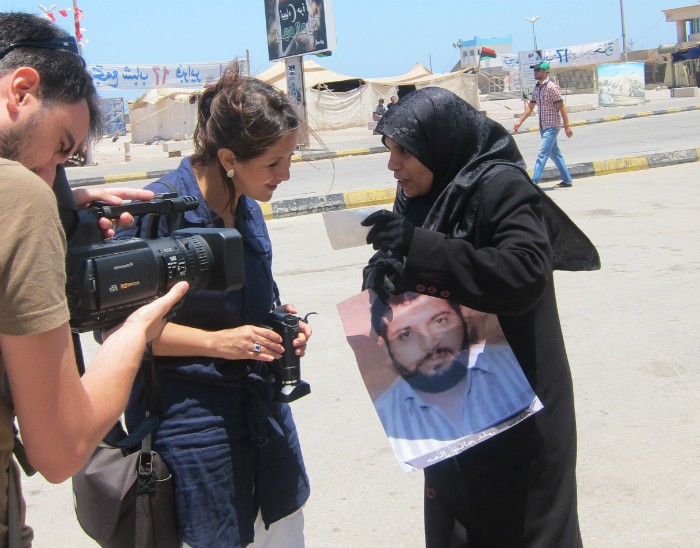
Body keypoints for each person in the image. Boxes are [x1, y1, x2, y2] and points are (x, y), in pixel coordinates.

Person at [361, 86, 600, 547]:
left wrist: (418, 249)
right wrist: (386, 273)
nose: (393, 165)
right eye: (389, 151)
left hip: (518, 411)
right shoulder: (419, 197)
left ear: (438, 144)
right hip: (453, 413)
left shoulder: (501, 187)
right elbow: (424, 273)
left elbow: (525, 273)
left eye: (404, 152)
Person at [0, 11, 188, 545]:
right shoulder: (20, 195)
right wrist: (134, 332)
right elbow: (61, 450)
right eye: (61, 148)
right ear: (21, 90)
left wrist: (62, 207)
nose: (52, 177)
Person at [117, 62, 312, 548]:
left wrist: (280, 326)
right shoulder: (157, 212)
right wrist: (217, 343)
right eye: (274, 163)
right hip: (194, 427)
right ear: (228, 157)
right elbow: (120, 334)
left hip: (262, 411)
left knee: (281, 528)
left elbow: (253, 303)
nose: (285, 175)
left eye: (289, 159)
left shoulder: (247, 208)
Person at [371, 292, 536, 450]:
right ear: (385, 347)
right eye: (406, 334)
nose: (429, 344)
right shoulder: (385, 416)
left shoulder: (518, 367)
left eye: (440, 321)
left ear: (463, 318)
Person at [513, 61, 575, 189]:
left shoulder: (552, 87)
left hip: (552, 126)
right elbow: (530, 107)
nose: (535, 72)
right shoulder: (536, 88)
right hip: (543, 126)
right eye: (534, 70)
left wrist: (567, 126)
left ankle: (533, 183)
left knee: (542, 154)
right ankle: (567, 180)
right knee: (555, 154)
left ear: (545, 72)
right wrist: (520, 121)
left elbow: (561, 107)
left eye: (538, 70)